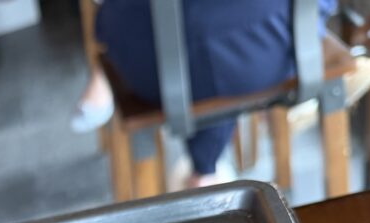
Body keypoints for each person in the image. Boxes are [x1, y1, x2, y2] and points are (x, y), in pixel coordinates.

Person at [71, 0, 338, 187]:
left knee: (192, 45)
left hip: (153, 65)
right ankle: (204, 168)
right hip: (279, 46)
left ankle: (204, 169)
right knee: (220, 49)